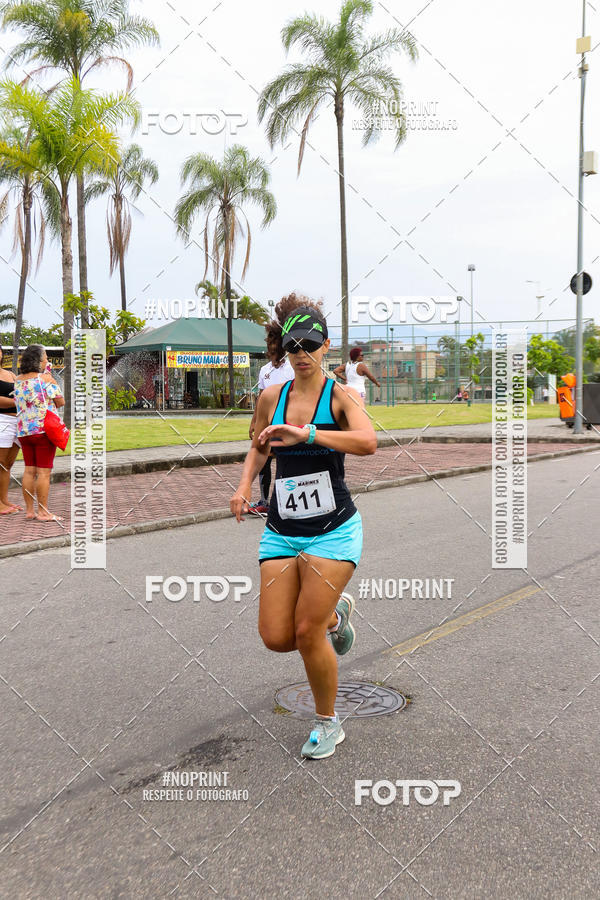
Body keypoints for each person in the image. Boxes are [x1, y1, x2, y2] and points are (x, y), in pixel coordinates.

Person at [230, 294, 377, 760]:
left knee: (305, 629)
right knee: (277, 636)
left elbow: (368, 442)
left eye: (310, 345)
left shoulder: (342, 396)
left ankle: (327, 723)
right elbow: (259, 445)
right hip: (281, 527)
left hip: (333, 529)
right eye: (293, 346)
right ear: (284, 350)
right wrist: (243, 485)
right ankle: (338, 615)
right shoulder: (272, 396)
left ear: (327, 346)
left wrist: (308, 433)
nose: (301, 354)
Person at [13, 344, 65, 521]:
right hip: (43, 431)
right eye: (46, 358)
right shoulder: (46, 380)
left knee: (29, 471)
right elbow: (60, 402)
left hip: (24, 431)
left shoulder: (18, 380)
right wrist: (52, 380)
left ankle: (30, 511)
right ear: (39, 360)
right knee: (43, 473)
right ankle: (43, 512)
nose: (47, 361)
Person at [247, 337, 294, 516]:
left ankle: (286, 501)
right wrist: (254, 421)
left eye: (275, 349)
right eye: (270, 349)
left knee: (286, 462)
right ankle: (264, 502)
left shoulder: (291, 370)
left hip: (286, 423)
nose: (272, 353)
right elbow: (260, 398)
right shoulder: (264, 370)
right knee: (264, 461)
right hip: (267, 424)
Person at [0, 346, 22, 515]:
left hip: (17, 423)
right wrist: (18, 402)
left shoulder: (11, 374)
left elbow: (24, 392)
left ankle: (4, 500)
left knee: (7, 465)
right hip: (2, 421)